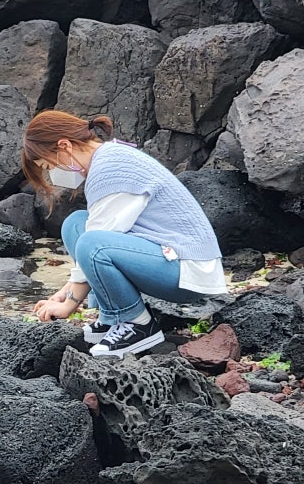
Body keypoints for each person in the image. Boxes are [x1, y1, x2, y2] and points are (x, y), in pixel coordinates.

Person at [21, 110, 227, 358]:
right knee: (76, 224)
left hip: (186, 269)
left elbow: (97, 241)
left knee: (92, 243)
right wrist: (63, 294)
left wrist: (69, 304)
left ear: (64, 146)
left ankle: (137, 323)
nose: (53, 174)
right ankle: (111, 318)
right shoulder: (108, 158)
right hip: (165, 257)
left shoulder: (112, 167)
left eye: (49, 166)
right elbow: (99, 230)